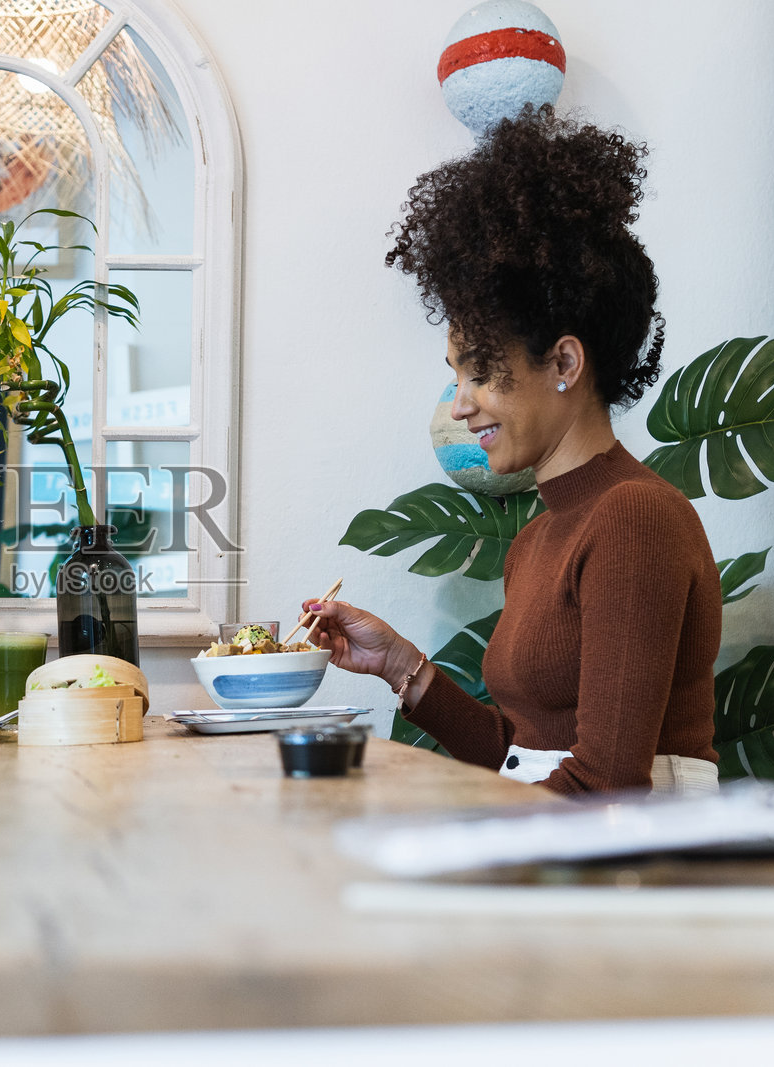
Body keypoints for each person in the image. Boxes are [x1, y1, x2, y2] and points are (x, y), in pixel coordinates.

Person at [307, 109, 722, 796]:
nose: (460, 403)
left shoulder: (635, 517)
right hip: (560, 851)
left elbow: (608, 784)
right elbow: (522, 751)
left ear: (564, 361)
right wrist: (400, 665)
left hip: (635, 878)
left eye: (478, 371)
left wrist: (455, 845)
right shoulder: (537, 539)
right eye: (455, 375)